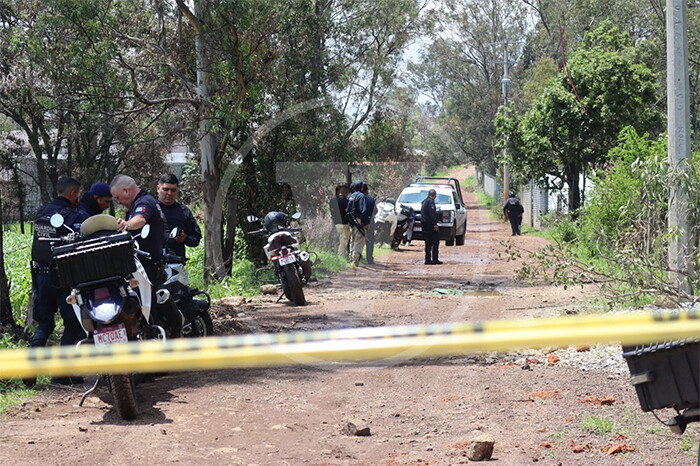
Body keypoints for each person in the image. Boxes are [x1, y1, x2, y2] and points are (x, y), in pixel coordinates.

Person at [27, 176, 87, 385]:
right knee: (72, 325)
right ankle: (62, 373)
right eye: (77, 194)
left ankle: (30, 368)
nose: (78, 198)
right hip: (63, 280)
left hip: (41, 277)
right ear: (72, 193)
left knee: (45, 323)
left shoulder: (41, 212)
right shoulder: (72, 216)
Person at [110, 174, 166, 283]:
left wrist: (126, 224)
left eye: (117, 197)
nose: (118, 202)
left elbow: (140, 219)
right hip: (143, 266)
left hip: (148, 269)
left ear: (126, 191)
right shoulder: (138, 203)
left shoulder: (144, 202)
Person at [156, 173, 202, 259]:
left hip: (176, 263)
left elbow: (196, 239)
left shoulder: (184, 211)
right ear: (158, 188)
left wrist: (184, 239)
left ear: (177, 190)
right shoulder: (149, 208)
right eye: (166, 189)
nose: (169, 193)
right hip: (151, 263)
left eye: (173, 190)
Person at [346, 180, 371, 267]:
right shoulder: (361, 196)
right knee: (359, 240)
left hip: (352, 221)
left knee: (352, 240)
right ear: (362, 187)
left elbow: (348, 210)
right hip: (358, 221)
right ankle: (355, 261)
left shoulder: (351, 196)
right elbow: (363, 210)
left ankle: (351, 259)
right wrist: (366, 223)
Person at [329, 184, 350, 259]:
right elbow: (348, 212)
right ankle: (341, 258)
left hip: (334, 223)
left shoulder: (332, 200)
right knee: (343, 242)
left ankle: (335, 257)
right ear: (346, 192)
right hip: (343, 224)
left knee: (336, 242)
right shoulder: (345, 200)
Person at [421, 189, 441, 265]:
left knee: (428, 243)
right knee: (435, 242)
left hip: (425, 225)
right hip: (430, 226)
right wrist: (435, 224)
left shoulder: (424, 201)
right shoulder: (430, 202)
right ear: (434, 195)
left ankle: (428, 259)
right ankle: (435, 259)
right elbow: (432, 214)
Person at [362, 183, 376, 265]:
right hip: (370, 222)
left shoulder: (355, 197)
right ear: (367, 191)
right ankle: (369, 259)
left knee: (358, 241)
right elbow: (375, 211)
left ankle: (358, 258)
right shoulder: (371, 199)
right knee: (370, 241)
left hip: (358, 223)